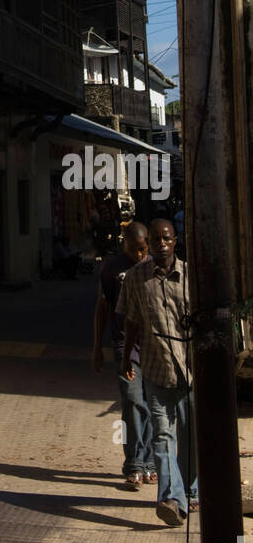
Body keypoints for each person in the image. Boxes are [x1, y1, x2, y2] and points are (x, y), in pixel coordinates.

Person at [117, 218, 197, 526]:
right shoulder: (135, 278)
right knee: (163, 437)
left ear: (175, 241)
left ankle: (189, 490)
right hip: (155, 368)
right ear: (150, 242)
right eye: (157, 239)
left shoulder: (191, 276)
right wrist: (125, 359)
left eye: (167, 238)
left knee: (189, 437)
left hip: (189, 370)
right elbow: (132, 322)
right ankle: (170, 500)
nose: (162, 243)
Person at [92, 221, 156, 490]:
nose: (139, 255)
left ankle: (149, 462)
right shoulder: (111, 268)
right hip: (124, 346)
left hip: (154, 347)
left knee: (152, 407)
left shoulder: (156, 265)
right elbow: (102, 308)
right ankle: (133, 463)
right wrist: (97, 348)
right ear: (124, 244)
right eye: (133, 250)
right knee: (132, 401)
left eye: (142, 250)